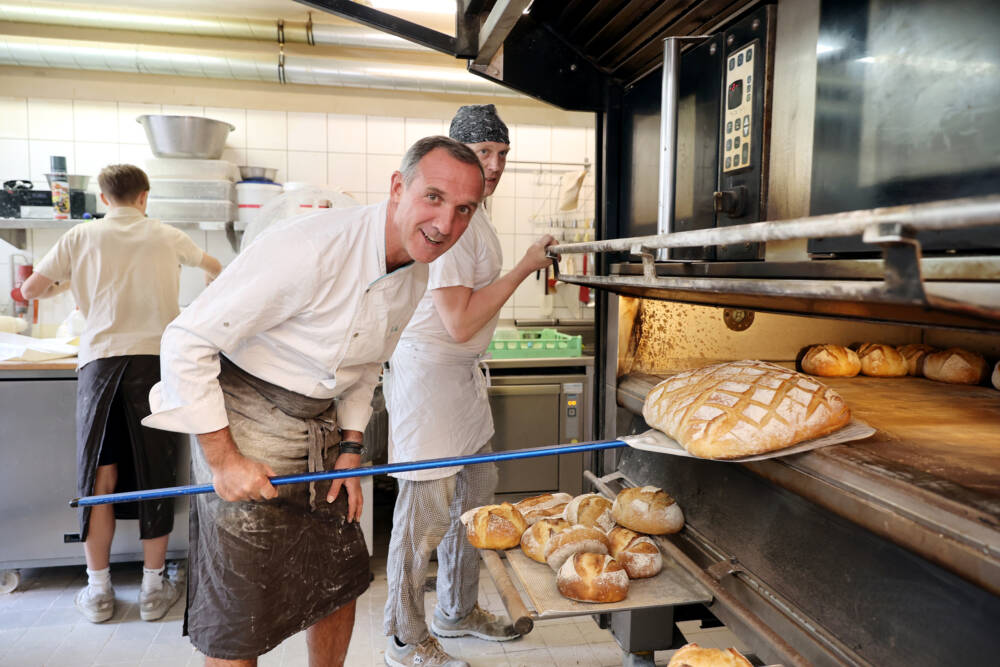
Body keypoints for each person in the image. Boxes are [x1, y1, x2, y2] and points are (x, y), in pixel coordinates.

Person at [140, 136, 485, 667]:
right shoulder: (310, 246)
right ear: (398, 188)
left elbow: (365, 364)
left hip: (322, 429)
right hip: (246, 418)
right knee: (242, 611)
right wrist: (223, 459)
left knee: (339, 582)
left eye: (464, 209)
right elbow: (185, 340)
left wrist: (351, 446)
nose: (446, 224)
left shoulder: (418, 270)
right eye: (434, 198)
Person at [382, 104, 556, 667]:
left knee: (475, 498)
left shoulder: (476, 215)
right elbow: (457, 321)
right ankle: (404, 639)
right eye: (485, 153)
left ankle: (456, 610)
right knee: (423, 519)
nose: (496, 164)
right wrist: (527, 264)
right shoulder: (454, 223)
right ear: (457, 156)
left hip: (460, 382)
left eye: (503, 153)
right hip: (429, 381)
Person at [13, 163, 221, 624]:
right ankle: (152, 590)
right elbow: (216, 269)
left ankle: (100, 591)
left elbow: (29, 290)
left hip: (101, 363)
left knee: (99, 479)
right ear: (144, 197)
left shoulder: (79, 238)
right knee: (156, 475)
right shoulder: (166, 236)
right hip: (154, 365)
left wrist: (69, 286)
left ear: (105, 199)